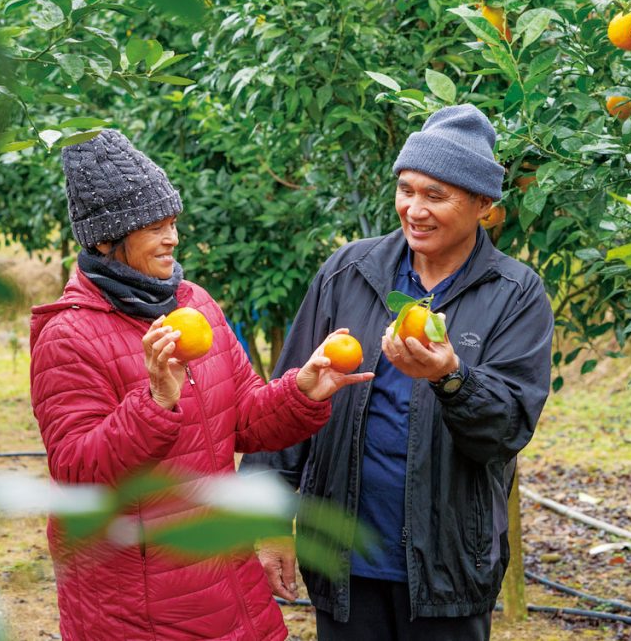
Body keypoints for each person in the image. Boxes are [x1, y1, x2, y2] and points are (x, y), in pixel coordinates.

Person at [29, 130, 373, 641]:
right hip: (141, 603)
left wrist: (300, 391)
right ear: (105, 240)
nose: (172, 238)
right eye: (155, 227)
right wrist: (155, 403)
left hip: (224, 575)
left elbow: (245, 418)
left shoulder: (194, 303)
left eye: (173, 223)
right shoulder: (69, 336)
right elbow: (78, 473)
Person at [240, 104, 554, 640]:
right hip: (342, 559)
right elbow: (286, 404)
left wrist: (452, 378)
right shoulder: (348, 273)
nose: (415, 209)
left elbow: (506, 430)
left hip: (449, 566)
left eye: (436, 195)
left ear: (483, 205)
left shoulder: (514, 294)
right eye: (406, 189)